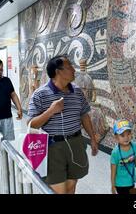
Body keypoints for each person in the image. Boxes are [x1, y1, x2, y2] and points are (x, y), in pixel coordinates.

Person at [28, 55, 99, 194]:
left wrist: (92, 138)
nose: (74, 69)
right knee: (59, 191)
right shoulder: (40, 94)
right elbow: (31, 124)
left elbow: (84, 115)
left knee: (71, 187)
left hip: (76, 143)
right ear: (58, 71)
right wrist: (51, 111)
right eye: (69, 67)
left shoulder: (77, 91)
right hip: (53, 147)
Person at [111, 119, 136, 194]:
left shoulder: (134, 146)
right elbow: (113, 171)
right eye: (122, 135)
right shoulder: (115, 152)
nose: (126, 138)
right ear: (116, 137)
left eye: (128, 134)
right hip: (120, 184)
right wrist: (113, 185)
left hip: (131, 181)